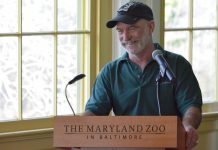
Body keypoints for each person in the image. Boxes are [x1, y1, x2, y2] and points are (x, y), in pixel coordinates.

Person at [82, 2, 202, 150]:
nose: (125, 37)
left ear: (151, 27)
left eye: (132, 28)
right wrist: (74, 132)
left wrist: (188, 126)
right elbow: (95, 111)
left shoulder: (177, 64)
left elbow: (191, 106)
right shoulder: (110, 72)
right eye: (120, 31)